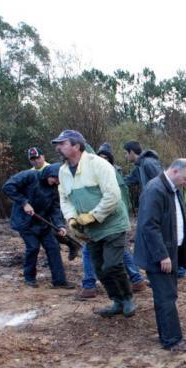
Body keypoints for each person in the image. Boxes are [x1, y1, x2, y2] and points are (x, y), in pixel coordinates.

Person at [53, 129, 134, 317]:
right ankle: (117, 301)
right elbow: (65, 199)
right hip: (90, 230)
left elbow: (113, 195)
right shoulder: (63, 171)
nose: (58, 148)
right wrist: (72, 219)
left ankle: (128, 298)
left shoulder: (98, 164)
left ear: (76, 146)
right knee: (99, 269)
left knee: (112, 265)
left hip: (113, 224)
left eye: (62, 144)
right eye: (58, 144)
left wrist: (93, 216)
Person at [134, 159, 186, 352]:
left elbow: (177, 222)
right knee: (165, 297)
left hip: (169, 252)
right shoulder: (155, 190)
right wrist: (162, 255)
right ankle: (172, 340)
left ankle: (169, 334)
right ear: (174, 171)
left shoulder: (173, 189)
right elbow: (149, 226)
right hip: (158, 256)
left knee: (168, 294)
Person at [76, 143, 148, 300]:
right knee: (120, 251)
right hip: (113, 219)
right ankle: (136, 279)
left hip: (109, 220)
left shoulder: (106, 173)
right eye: (100, 157)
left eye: (105, 157)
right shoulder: (112, 172)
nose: (101, 160)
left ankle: (89, 286)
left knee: (89, 251)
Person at [2, 163, 74, 289]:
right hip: (24, 221)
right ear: (49, 174)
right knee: (33, 247)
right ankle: (29, 278)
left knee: (53, 247)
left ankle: (59, 281)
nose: (57, 182)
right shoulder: (30, 176)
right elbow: (8, 187)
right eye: (56, 178)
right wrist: (24, 203)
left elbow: (55, 208)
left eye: (59, 180)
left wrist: (60, 225)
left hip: (43, 223)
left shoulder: (54, 188)